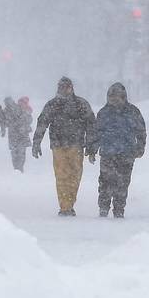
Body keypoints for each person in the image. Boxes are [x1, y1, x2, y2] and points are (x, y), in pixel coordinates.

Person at [32, 77, 96, 216]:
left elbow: (91, 124)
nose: (65, 89)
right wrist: (36, 142)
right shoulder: (53, 104)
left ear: (72, 88)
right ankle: (65, 207)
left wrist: (91, 145)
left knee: (74, 176)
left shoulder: (80, 104)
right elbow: (42, 122)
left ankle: (69, 203)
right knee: (62, 176)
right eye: (62, 87)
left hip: (76, 145)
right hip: (59, 145)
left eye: (67, 87)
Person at [89, 83, 147, 218]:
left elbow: (141, 131)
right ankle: (103, 208)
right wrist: (92, 149)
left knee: (122, 183)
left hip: (126, 154)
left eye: (117, 97)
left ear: (123, 97)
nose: (114, 100)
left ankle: (119, 209)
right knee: (105, 182)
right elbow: (96, 132)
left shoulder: (133, 112)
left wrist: (140, 147)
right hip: (108, 154)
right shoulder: (104, 113)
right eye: (112, 97)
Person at [4, 96, 33, 172]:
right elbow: (5, 120)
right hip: (17, 134)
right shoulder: (11, 109)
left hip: (19, 134)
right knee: (17, 152)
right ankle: (17, 167)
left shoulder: (24, 109)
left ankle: (19, 167)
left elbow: (29, 120)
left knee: (19, 152)